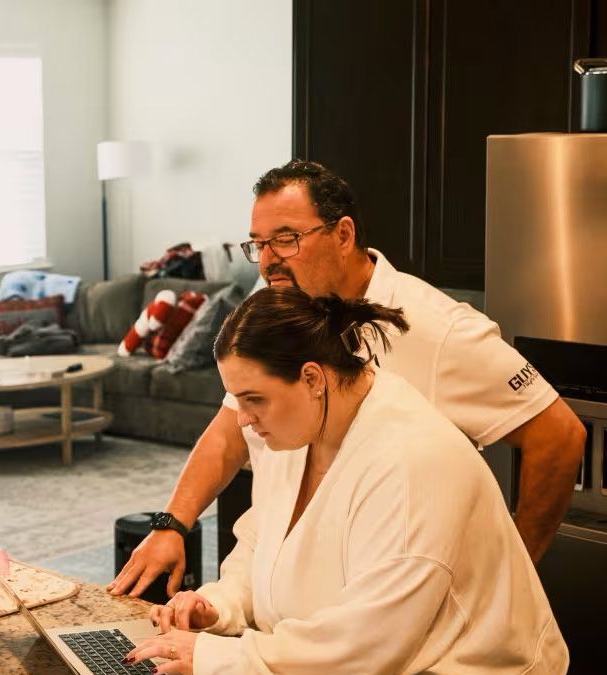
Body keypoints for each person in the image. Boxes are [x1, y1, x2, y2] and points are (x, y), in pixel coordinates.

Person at [110, 160, 584, 598]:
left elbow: (559, 435)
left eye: (287, 238)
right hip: (291, 602)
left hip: (389, 606)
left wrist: (512, 578)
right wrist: (172, 523)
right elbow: (230, 429)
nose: (269, 259)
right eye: (259, 243)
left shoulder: (436, 328)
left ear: (342, 234)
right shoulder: (280, 307)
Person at [126, 287, 568, 675]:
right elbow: (262, 547)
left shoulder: (412, 461)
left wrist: (218, 655)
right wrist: (217, 607)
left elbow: (368, 641)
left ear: (313, 379)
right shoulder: (297, 431)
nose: (241, 418)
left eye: (253, 398)